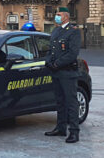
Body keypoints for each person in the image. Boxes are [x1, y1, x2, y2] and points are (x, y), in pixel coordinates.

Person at [44, 7, 81, 143]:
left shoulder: (73, 31)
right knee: (60, 101)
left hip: (67, 72)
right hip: (56, 72)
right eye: (56, 15)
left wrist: (57, 63)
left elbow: (72, 53)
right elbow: (51, 50)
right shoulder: (56, 30)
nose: (56, 17)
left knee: (71, 103)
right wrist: (48, 62)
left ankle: (74, 132)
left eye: (58, 15)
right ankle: (60, 128)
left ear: (66, 16)